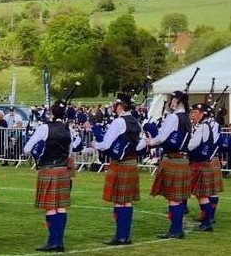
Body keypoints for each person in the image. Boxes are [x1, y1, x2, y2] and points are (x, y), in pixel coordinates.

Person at [92, 93, 144, 245]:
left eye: (116, 105)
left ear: (120, 106)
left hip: (120, 164)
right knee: (127, 201)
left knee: (119, 201)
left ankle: (120, 236)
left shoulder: (119, 122)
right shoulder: (135, 122)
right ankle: (125, 235)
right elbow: (140, 144)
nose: (114, 108)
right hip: (132, 162)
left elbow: (106, 144)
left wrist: (96, 145)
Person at [23, 99, 72, 252]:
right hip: (63, 170)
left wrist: (39, 149)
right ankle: (60, 242)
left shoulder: (45, 128)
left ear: (51, 113)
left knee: (50, 207)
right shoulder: (67, 129)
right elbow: (70, 151)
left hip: (48, 168)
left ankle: (53, 242)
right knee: (61, 207)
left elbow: (26, 148)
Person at [144, 90, 191, 239]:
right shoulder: (186, 118)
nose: (170, 102)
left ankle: (176, 230)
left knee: (173, 197)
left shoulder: (174, 117)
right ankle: (176, 229)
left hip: (172, 158)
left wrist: (151, 141)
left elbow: (162, 137)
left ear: (177, 101)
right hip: (183, 159)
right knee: (176, 197)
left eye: (172, 99)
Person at [187, 103, 217, 231]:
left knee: (202, 195)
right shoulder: (202, 126)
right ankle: (207, 221)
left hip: (200, 163)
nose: (192, 114)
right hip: (201, 163)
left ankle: (207, 223)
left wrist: (183, 146)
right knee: (201, 195)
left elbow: (192, 145)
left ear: (202, 113)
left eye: (195, 112)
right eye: (192, 112)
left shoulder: (203, 127)